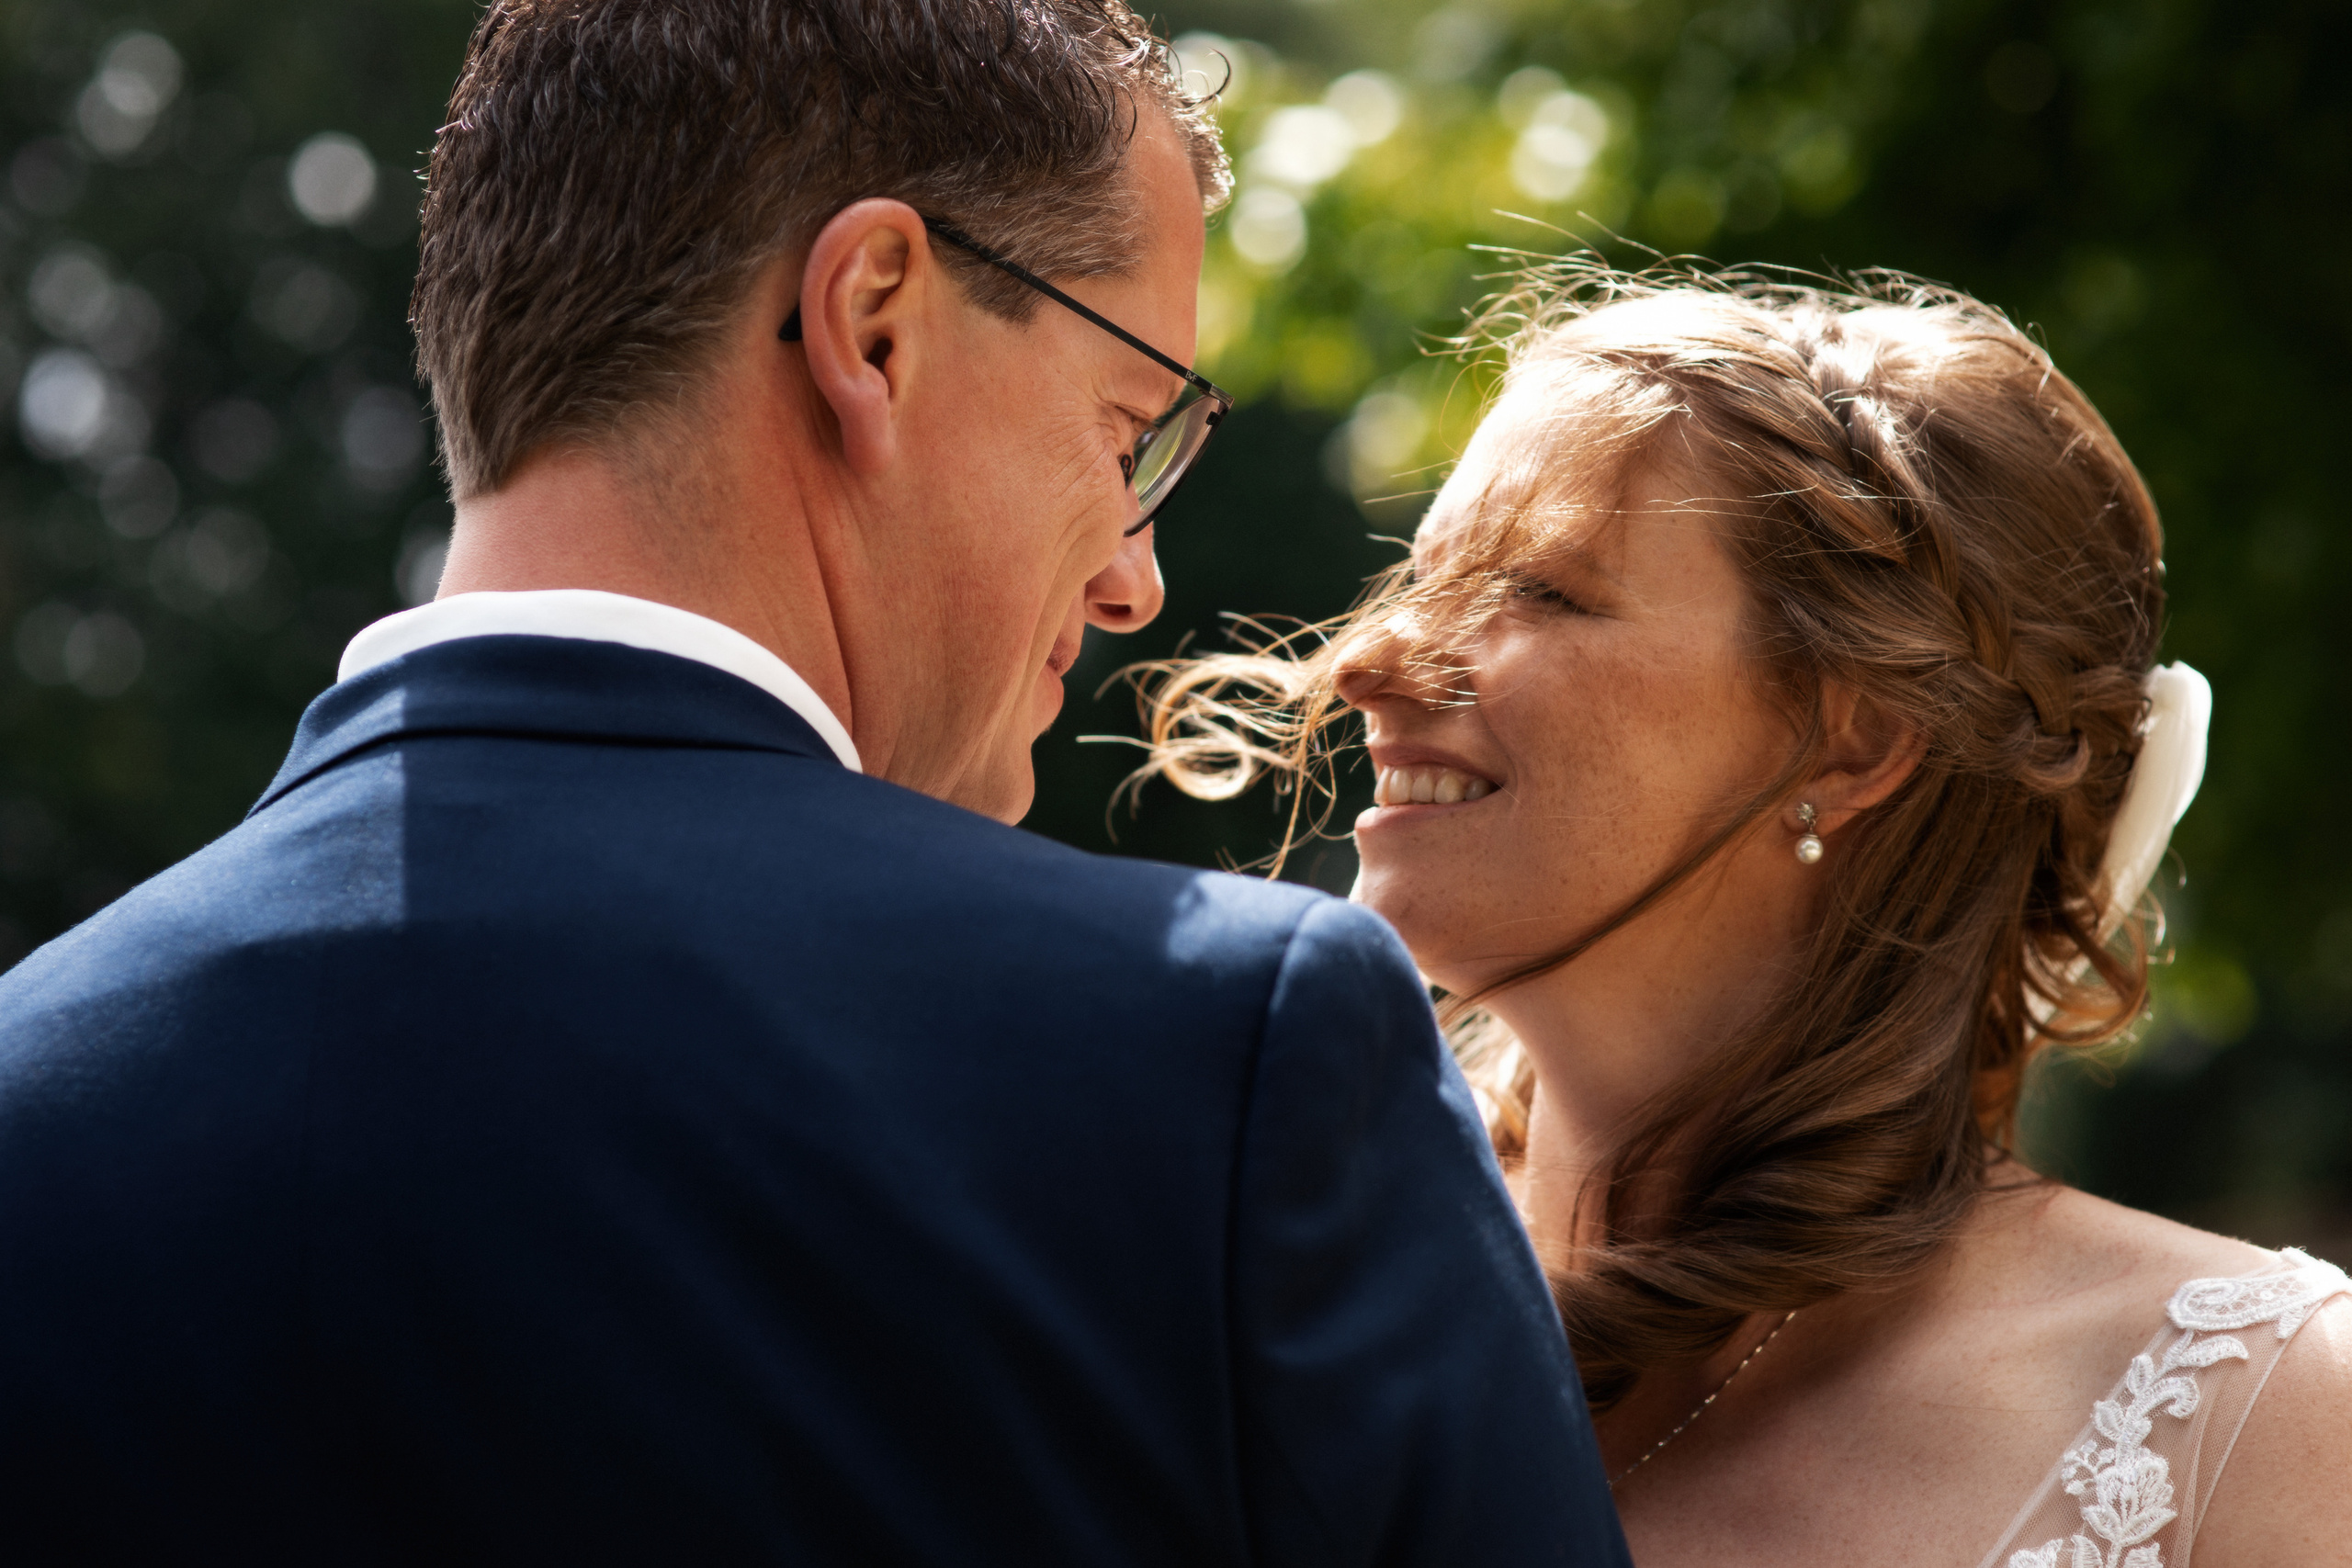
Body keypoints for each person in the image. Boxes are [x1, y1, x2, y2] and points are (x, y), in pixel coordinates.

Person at [0, 5, 1630, 1562]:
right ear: (872, 322)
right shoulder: (1231, 1060)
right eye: (1130, 428)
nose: (1138, 578)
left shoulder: (34, 1103)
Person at [1140, 266, 2352, 1567]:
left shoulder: (2256, 1415)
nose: (1365, 664)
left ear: (1859, 736)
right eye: (1424, 578)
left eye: (1542, 592)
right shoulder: (1232, 1289)